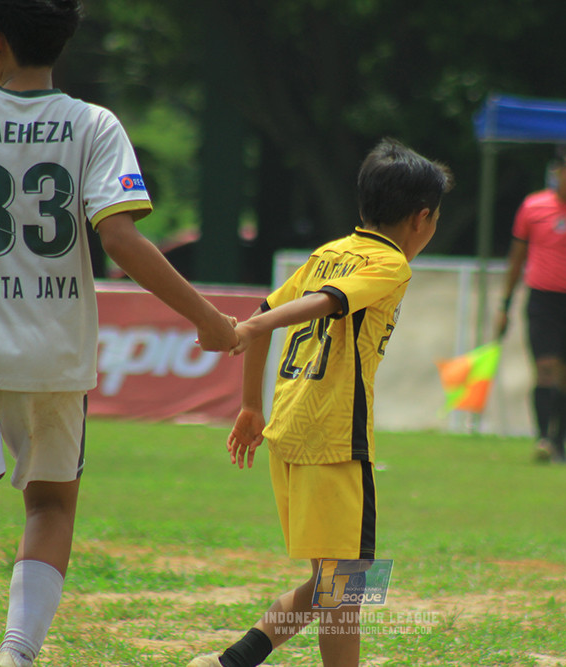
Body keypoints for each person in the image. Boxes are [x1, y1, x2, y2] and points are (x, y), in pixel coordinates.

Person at [0, 2, 238, 666]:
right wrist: (207, 318)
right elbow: (121, 238)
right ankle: (16, 655)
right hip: (55, 356)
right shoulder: (95, 124)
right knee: (51, 507)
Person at [186, 139, 453, 667]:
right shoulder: (391, 264)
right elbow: (323, 304)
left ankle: (229, 663)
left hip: (289, 432)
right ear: (422, 218)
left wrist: (250, 405)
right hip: (333, 438)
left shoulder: (327, 253)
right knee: (346, 583)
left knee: (332, 581)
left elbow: (266, 313)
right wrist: (254, 330)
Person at [496, 146, 566, 463]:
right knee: (545, 369)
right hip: (544, 300)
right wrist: (505, 304)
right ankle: (543, 438)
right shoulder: (534, 206)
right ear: (559, 172)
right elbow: (517, 257)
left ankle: (561, 442)